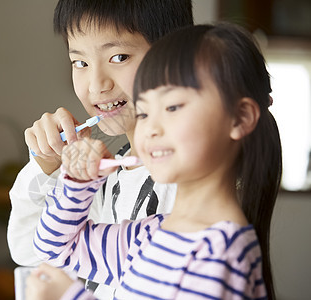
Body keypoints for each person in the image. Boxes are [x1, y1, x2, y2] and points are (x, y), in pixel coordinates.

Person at [27, 23, 282, 299]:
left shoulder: (220, 252)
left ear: (240, 118)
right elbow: (54, 249)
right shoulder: (152, 234)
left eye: (172, 107)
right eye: (145, 112)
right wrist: (78, 183)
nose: (150, 130)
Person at [8, 1, 192, 298]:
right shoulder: (106, 174)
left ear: (174, 56)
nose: (96, 86)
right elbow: (29, 252)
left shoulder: (189, 183)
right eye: (80, 62)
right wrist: (48, 167)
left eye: (119, 57)